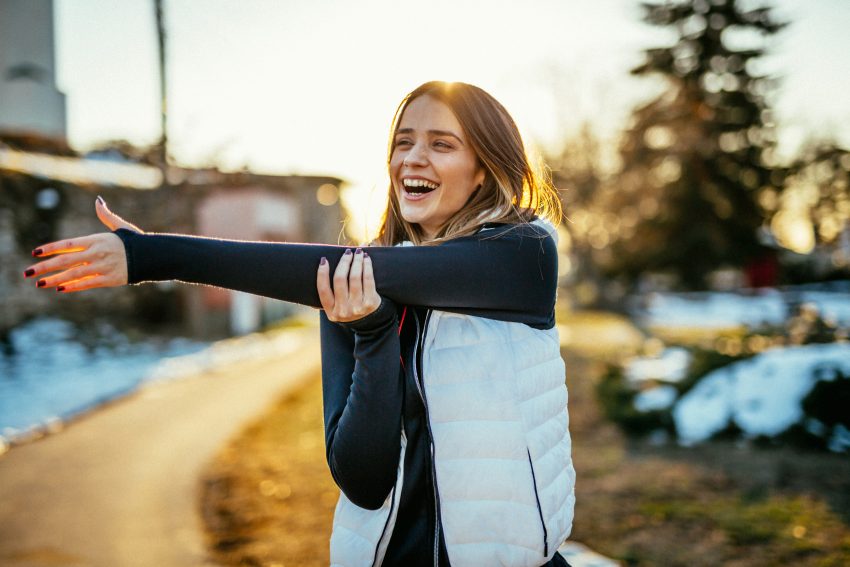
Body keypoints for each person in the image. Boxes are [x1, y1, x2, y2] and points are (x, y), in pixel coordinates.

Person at [25, 81, 576, 567]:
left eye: (441, 144)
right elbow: (363, 480)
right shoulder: (352, 297)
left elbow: (340, 268)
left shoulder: (521, 253)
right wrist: (374, 333)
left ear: (484, 167)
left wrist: (154, 255)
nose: (413, 158)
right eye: (403, 142)